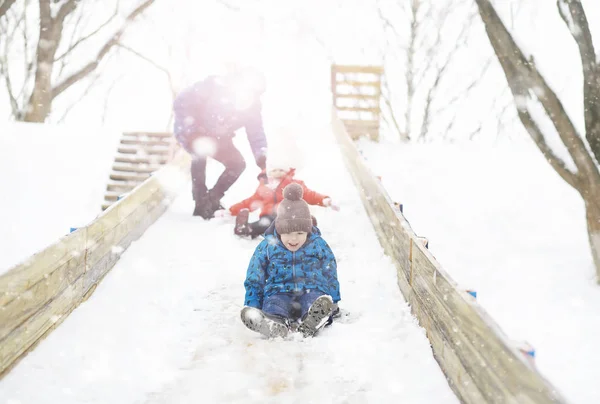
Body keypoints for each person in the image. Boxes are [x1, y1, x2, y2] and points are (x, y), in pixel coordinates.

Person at [240, 183, 341, 338]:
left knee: (314, 302)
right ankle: (274, 323)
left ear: (308, 230)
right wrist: (253, 302)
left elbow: (330, 270)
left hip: (311, 288)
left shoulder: (317, 244)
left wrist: (333, 300)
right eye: (287, 233)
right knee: (274, 305)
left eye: (300, 233)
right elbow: (255, 274)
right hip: (278, 291)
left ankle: (313, 320)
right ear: (279, 230)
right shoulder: (268, 246)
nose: (293, 239)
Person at [173, 66, 268, 219]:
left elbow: (256, 133)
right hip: (193, 130)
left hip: (219, 137)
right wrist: (191, 129)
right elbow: (181, 102)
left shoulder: (252, 107)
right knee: (200, 150)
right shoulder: (214, 86)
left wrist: (262, 158)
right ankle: (199, 201)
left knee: (238, 164)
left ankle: (211, 200)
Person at [216, 162, 339, 238]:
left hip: (290, 215)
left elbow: (310, 195)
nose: (278, 172)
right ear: (269, 173)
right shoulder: (264, 188)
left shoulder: (295, 185)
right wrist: (231, 211)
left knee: (297, 222)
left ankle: (309, 228)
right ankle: (244, 228)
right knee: (265, 224)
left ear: (287, 171)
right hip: (269, 216)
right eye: (274, 170)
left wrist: (325, 200)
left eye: (281, 169)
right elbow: (249, 202)